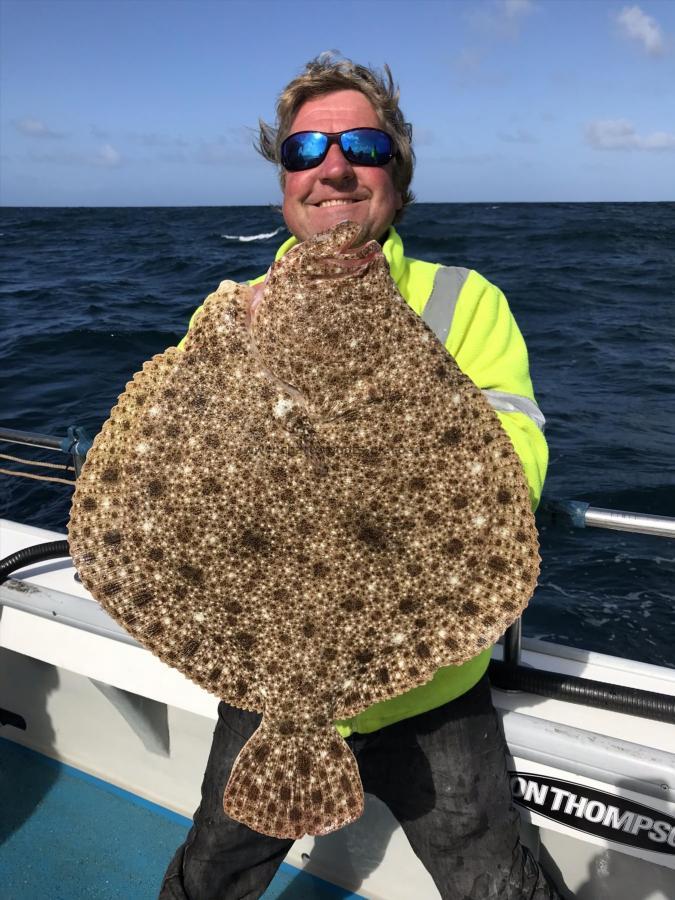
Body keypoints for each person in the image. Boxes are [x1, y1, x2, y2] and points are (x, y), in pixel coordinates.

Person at [160, 53, 558, 900]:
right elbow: (166, 481)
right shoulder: (226, 314)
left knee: (500, 885)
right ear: (283, 184)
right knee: (210, 873)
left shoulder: (464, 303)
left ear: (396, 174)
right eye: (304, 152)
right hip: (269, 684)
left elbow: (514, 474)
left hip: (430, 687)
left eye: (361, 145)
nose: (331, 168)